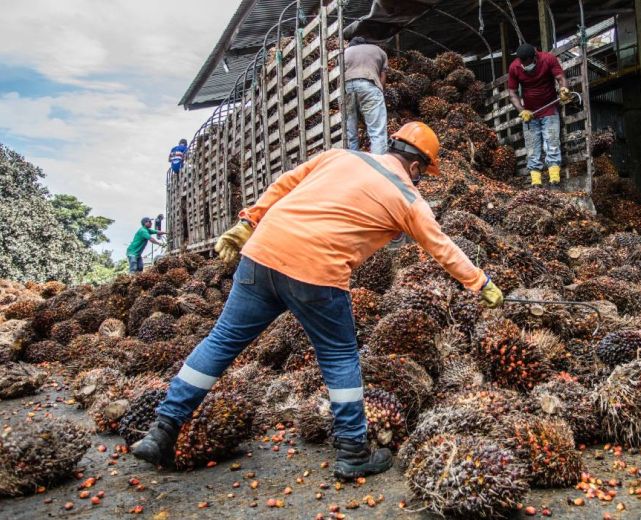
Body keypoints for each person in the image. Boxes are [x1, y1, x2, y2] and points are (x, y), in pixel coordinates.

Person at [131, 122, 504, 479]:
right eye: (423, 173)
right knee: (340, 357)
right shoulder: (409, 199)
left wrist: (248, 221)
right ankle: (353, 453)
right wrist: (481, 283)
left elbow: (284, 183)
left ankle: (161, 431)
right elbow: (442, 247)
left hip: (261, 255)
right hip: (316, 274)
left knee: (221, 341)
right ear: (418, 166)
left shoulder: (341, 157)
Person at [507, 43, 573, 188]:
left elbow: (560, 77)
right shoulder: (515, 67)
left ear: (535, 57)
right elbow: (512, 93)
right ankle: (536, 180)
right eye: (523, 64)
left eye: (528, 63)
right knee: (532, 146)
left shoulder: (547, 59)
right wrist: (521, 110)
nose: (526, 66)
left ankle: (554, 177)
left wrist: (564, 90)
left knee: (552, 142)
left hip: (549, 109)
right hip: (530, 114)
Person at [343, 36, 389, 154]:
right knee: (377, 132)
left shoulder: (345, 52)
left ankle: (353, 163)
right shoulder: (379, 51)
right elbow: (382, 76)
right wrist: (380, 92)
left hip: (347, 88)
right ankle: (378, 166)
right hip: (369, 84)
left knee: (350, 132)